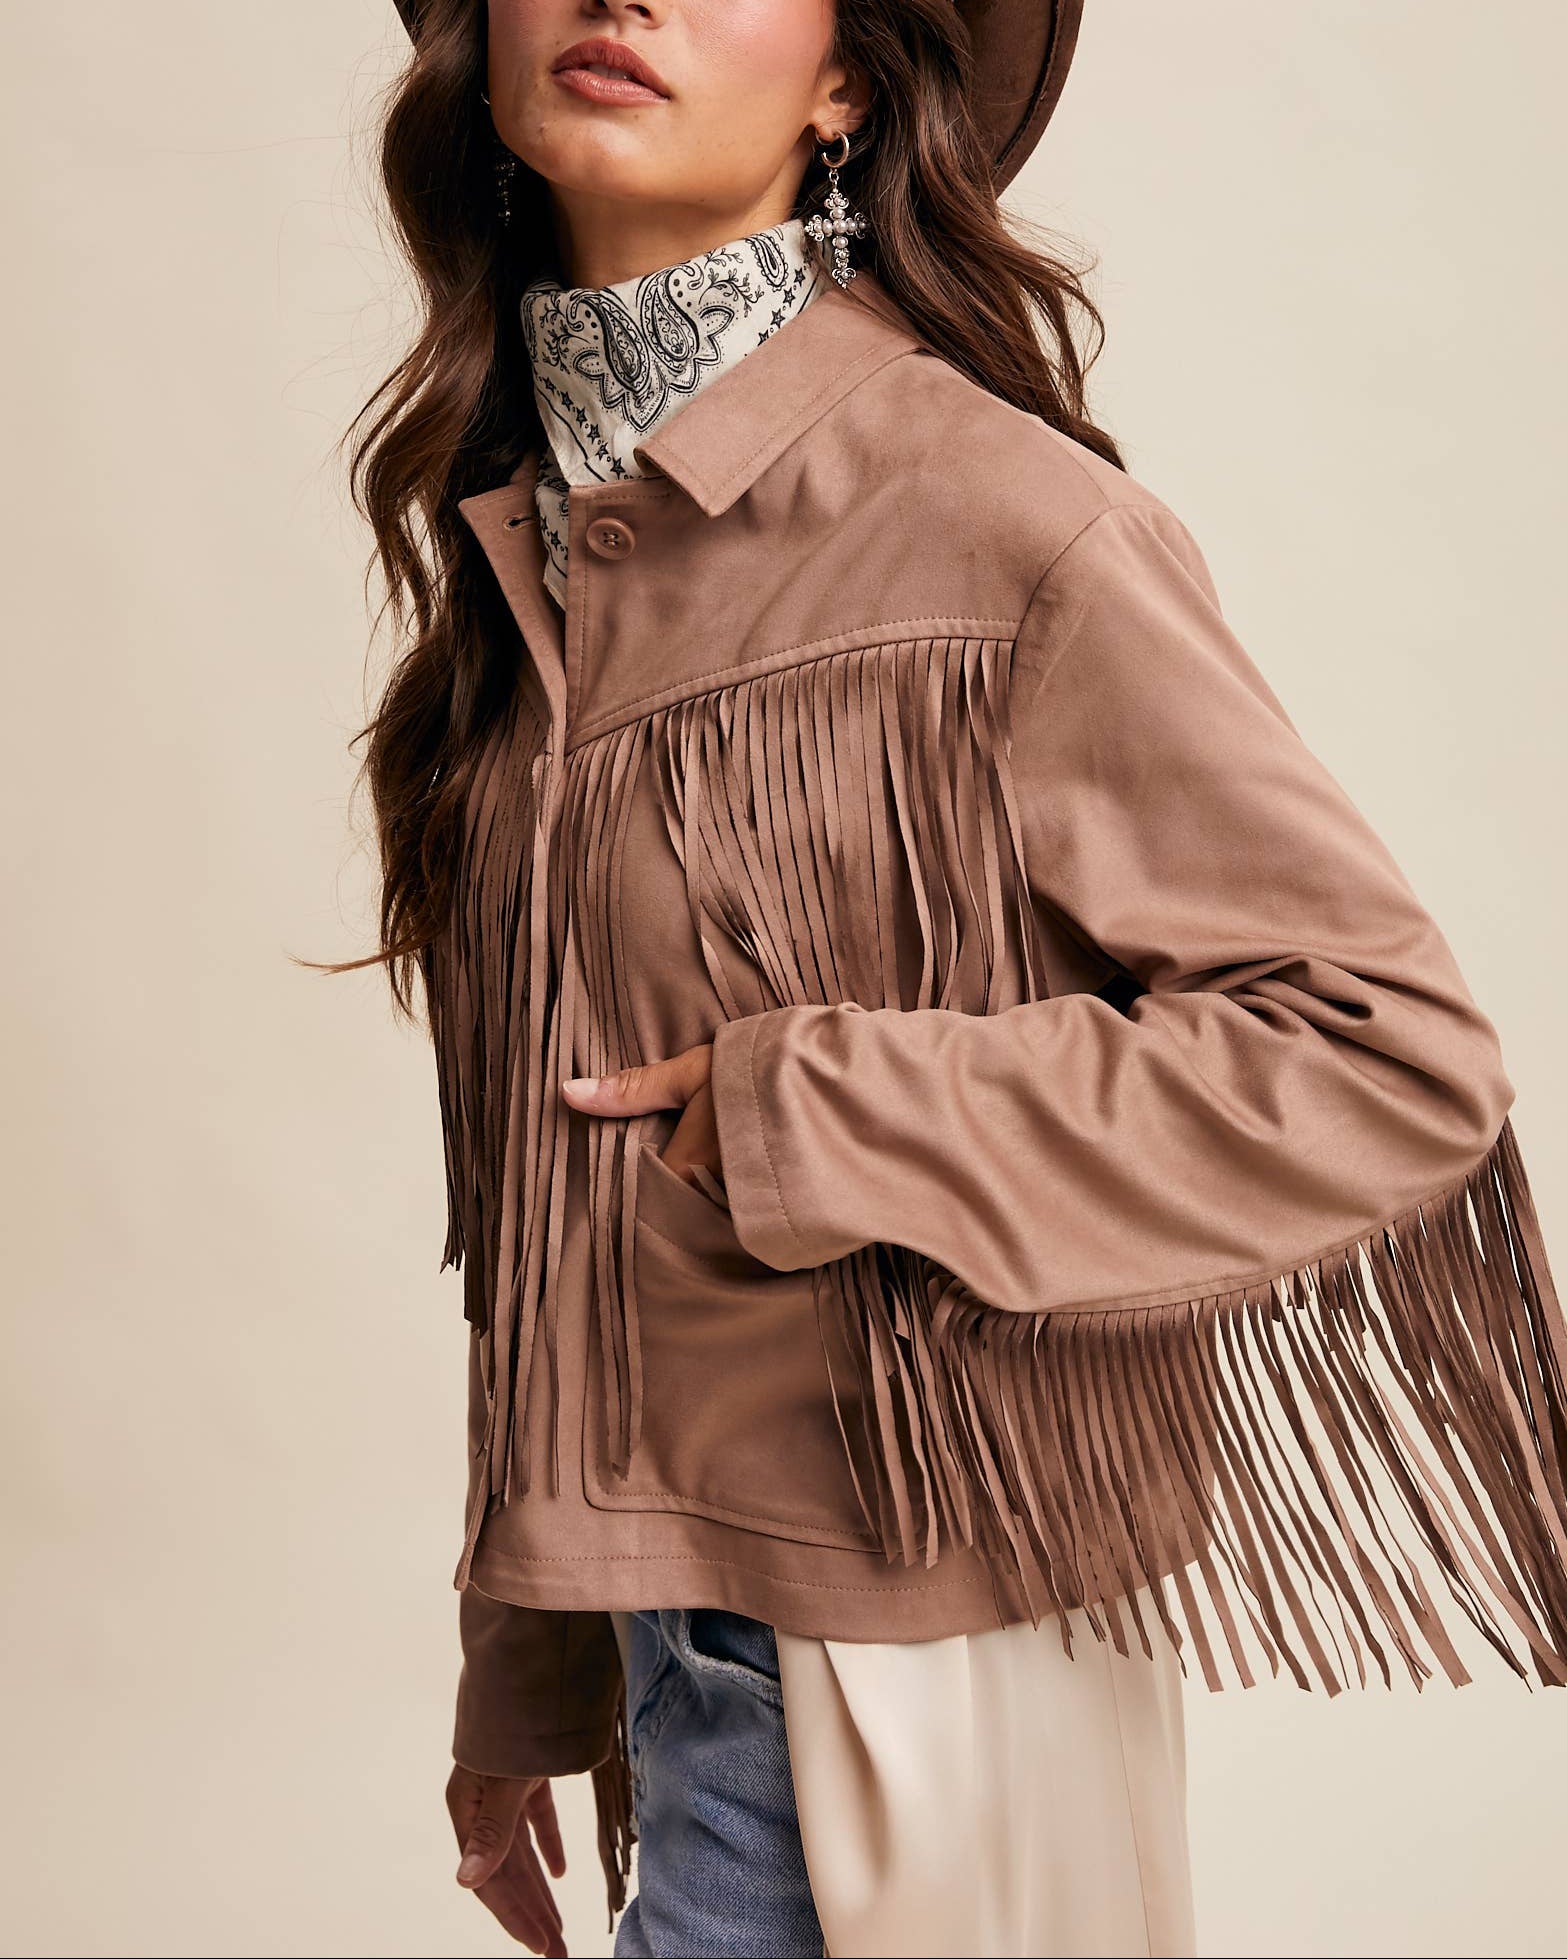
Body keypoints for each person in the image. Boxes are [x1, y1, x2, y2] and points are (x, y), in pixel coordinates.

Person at [331, 3, 1567, 1955]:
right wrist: (537, 1664)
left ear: (846, 84)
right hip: (681, 1649)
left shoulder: (997, 517)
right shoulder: (551, 548)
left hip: (900, 1665)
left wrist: (808, 1104)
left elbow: (1388, 1056)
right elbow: (555, 1190)